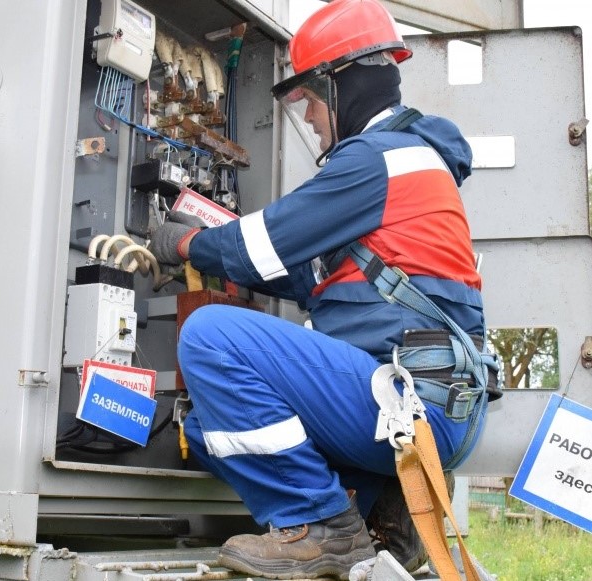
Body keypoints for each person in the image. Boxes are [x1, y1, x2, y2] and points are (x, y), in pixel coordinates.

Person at [149, 0, 502, 579]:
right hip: (428, 405)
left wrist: (182, 243)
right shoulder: (411, 161)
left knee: (210, 336)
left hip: (414, 404)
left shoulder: (377, 158)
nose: (310, 119)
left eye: (310, 100)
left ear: (343, 85)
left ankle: (321, 528)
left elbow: (255, 246)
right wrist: (221, 252)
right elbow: (306, 278)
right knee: (205, 431)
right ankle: (386, 523)